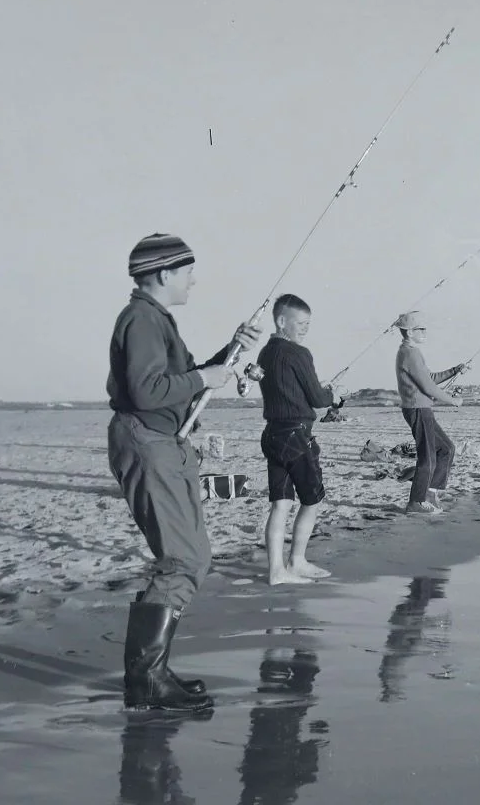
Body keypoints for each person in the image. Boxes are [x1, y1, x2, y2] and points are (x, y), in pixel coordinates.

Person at [107, 232, 263, 712]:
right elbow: (150, 391)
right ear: (163, 273)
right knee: (181, 561)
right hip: (148, 442)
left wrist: (229, 355)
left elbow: (178, 385)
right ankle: (146, 682)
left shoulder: (155, 319)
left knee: (192, 557)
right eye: (187, 271)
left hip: (165, 442)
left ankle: (152, 674)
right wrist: (204, 378)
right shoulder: (141, 320)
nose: (193, 280)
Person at [256, 294, 348, 585]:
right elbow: (318, 399)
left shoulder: (265, 353)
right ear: (282, 321)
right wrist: (335, 396)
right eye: (301, 323)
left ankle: (276, 572)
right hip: (295, 435)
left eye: (308, 324)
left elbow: (291, 390)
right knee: (312, 499)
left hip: (272, 434)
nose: (305, 329)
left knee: (281, 504)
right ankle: (296, 562)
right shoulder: (299, 353)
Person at [394, 311, 467, 514]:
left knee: (446, 449)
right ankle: (415, 502)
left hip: (422, 409)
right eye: (421, 329)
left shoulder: (411, 352)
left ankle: (431, 492)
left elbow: (429, 378)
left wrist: (454, 370)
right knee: (428, 457)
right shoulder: (409, 353)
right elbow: (428, 387)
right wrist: (452, 400)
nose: (425, 332)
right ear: (409, 332)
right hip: (417, 410)